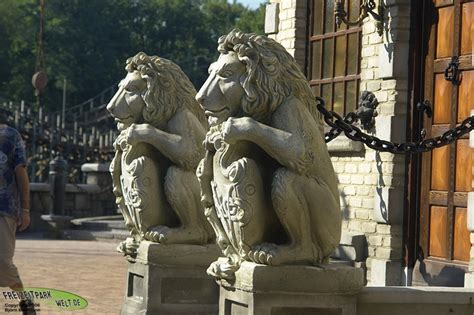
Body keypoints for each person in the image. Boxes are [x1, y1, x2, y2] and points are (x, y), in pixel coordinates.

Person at [0, 108, 35, 314]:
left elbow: (21, 172)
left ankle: (25, 299)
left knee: (3, 262)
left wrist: (26, 208)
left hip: (5, 207)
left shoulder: (10, 135)